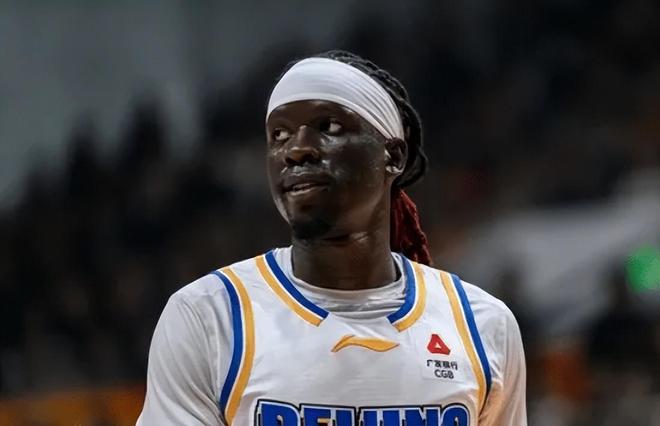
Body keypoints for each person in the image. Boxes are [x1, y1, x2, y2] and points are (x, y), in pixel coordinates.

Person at [137, 50, 527, 426]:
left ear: (394, 156)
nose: (297, 150)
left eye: (329, 127)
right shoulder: (209, 315)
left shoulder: (482, 325)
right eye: (279, 135)